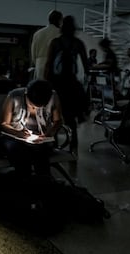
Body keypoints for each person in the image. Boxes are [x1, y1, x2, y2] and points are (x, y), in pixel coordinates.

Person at [1, 79, 63, 178]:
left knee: (41, 152)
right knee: (21, 153)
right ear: (26, 94)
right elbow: (4, 124)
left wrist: (50, 132)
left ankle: (42, 182)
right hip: (15, 137)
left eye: (41, 106)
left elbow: (58, 121)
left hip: (42, 139)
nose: (35, 108)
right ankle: (27, 182)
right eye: (32, 105)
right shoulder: (14, 96)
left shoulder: (52, 96)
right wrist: (18, 133)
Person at [45, 15, 89, 154]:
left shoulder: (55, 42)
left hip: (57, 83)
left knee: (55, 115)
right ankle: (73, 146)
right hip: (71, 83)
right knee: (71, 118)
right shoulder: (78, 43)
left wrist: (47, 83)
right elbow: (86, 66)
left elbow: (49, 64)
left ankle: (54, 144)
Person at [31, 10, 63, 80]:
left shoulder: (37, 33)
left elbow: (33, 55)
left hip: (39, 64)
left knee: (40, 89)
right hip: (54, 65)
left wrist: (37, 62)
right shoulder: (61, 33)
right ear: (59, 20)